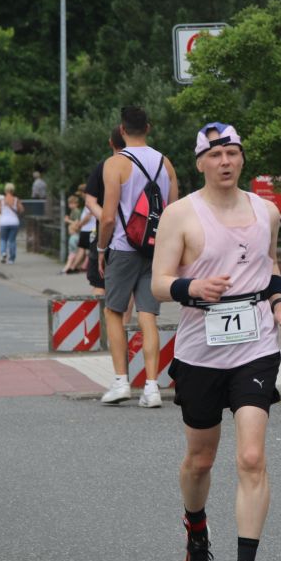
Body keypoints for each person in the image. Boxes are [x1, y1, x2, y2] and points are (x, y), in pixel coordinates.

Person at [151, 122, 281, 561]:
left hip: (255, 345)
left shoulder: (265, 211)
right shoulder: (180, 214)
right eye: (216, 155)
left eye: (233, 153)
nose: (226, 162)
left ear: (241, 158)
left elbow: (269, 265)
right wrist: (192, 287)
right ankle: (196, 530)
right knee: (201, 460)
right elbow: (158, 283)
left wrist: (280, 306)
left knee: (252, 457)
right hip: (200, 351)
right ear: (200, 163)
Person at [97, 107, 179, 406]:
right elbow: (174, 210)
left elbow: (108, 217)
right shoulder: (165, 163)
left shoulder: (115, 164)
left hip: (123, 247)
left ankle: (121, 382)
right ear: (148, 127)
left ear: (122, 130)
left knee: (114, 312)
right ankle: (152, 387)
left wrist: (101, 250)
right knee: (148, 316)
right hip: (155, 250)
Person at [84, 127, 127, 296]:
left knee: (100, 284)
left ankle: (99, 315)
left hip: (105, 235)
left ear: (111, 143)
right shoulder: (138, 167)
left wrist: (107, 218)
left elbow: (89, 201)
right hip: (135, 236)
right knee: (127, 289)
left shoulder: (103, 167)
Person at [0, 182, 24, 264]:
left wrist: (4, 212)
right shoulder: (16, 200)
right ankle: (11, 259)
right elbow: (21, 210)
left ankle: (3, 253)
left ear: (5, 190)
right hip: (14, 222)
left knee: (3, 239)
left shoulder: (1, 201)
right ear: (13, 190)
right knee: (12, 240)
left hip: (4, 222)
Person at [61, 193, 83, 274]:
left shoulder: (76, 211)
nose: (70, 205)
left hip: (75, 234)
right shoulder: (73, 211)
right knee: (74, 251)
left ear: (76, 204)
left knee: (73, 251)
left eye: (72, 203)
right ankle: (72, 266)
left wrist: (68, 220)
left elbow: (77, 223)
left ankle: (69, 267)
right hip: (74, 234)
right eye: (69, 203)